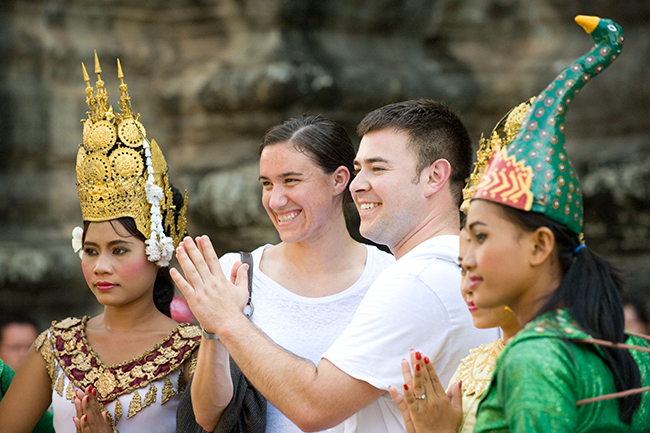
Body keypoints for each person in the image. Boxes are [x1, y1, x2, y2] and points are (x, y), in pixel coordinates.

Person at [172, 100, 498, 433]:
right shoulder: (469, 271)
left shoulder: (416, 281)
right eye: (360, 169)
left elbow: (313, 406)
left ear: (435, 176)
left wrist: (227, 319)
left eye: (378, 169)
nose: (358, 185)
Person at [394, 15, 650, 433]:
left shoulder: (534, 357)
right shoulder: (632, 351)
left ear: (539, 246)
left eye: (481, 237)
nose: (467, 263)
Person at [0, 53, 236, 433]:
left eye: (119, 250)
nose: (100, 266)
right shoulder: (57, 346)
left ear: (157, 252)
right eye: (90, 251)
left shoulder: (193, 351)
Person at [175, 115, 395, 433]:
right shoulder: (237, 273)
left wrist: (230, 321)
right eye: (267, 184)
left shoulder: (391, 277)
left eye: (291, 181)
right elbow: (208, 416)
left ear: (339, 180)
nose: (275, 200)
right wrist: (214, 329)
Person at [388, 97, 534, 433]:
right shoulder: (473, 365)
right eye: (462, 269)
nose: (466, 286)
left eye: (477, 267)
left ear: (538, 250)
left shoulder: (549, 362)